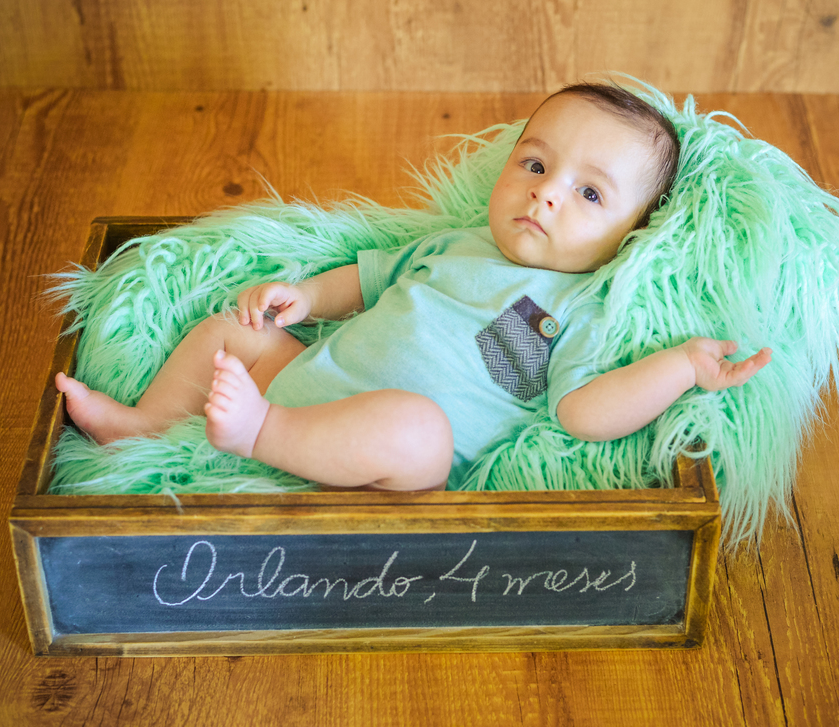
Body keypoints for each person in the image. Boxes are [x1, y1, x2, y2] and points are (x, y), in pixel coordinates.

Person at [55, 83, 772, 491]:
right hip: (308, 379)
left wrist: (680, 368)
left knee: (415, 426)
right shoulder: (454, 246)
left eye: (589, 194)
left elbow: (584, 412)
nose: (547, 194)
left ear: (633, 236)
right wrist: (304, 298)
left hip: (399, 457)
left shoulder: (577, 308)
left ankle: (258, 436)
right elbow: (365, 283)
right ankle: (142, 428)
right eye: (534, 165)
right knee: (230, 331)